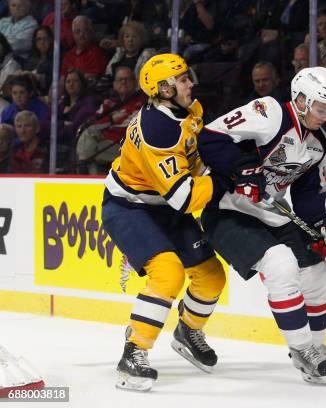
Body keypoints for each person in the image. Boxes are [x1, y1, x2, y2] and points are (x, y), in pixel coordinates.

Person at [198, 66, 326, 386]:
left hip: (272, 213)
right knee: (281, 265)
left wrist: (321, 225)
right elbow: (211, 137)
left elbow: (308, 193)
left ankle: (316, 344)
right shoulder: (269, 112)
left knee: (316, 273)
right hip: (229, 210)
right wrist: (243, 169)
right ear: (300, 99)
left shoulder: (319, 143)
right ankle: (301, 351)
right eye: (321, 108)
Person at [101, 54, 228, 392]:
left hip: (164, 204)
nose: (191, 83)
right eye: (183, 79)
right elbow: (184, 198)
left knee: (213, 277)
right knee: (169, 272)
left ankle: (188, 331)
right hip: (129, 207)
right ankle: (134, 352)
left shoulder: (190, 110)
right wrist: (228, 180)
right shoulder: (157, 129)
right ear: (163, 89)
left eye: (188, 76)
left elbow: (195, 159)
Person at [75, 65, 145, 174]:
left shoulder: (141, 104)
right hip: (102, 143)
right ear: (114, 84)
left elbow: (124, 128)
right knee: (88, 141)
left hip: (124, 147)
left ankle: (81, 167)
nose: (123, 82)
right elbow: (93, 122)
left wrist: (106, 126)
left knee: (88, 150)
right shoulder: (109, 103)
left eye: (127, 79)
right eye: (120, 79)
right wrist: (111, 120)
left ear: (135, 82)